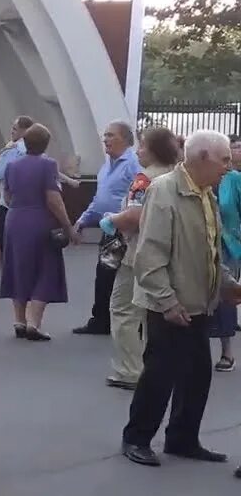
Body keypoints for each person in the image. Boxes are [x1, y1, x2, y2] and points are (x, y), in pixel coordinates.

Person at [121, 130, 241, 468]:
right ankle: (136, 438)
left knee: (197, 374)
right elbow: (150, 255)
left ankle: (182, 438)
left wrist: (227, 285)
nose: (228, 167)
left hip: (199, 303)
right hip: (170, 305)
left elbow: (210, 252)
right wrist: (167, 302)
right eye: (224, 160)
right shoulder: (164, 191)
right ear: (202, 157)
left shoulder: (206, 193)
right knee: (160, 374)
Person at [100, 126, 179, 389]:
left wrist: (111, 219)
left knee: (124, 310)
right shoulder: (178, 177)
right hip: (171, 254)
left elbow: (134, 217)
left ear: (154, 150)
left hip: (138, 255)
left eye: (142, 146)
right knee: (154, 313)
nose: (138, 151)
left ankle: (129, 370)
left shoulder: (143, 180)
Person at [0, 124, 78, 340]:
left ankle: (19, 320)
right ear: (46, 144)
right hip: (40, 220)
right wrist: (68, 226)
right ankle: (34, 322)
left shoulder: (12, 165)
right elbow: (54, 199)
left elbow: (7, 196)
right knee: (46, 268)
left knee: (18, 266)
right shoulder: (48, 165)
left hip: (15, 219)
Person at [72, 122, 140, 336]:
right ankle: (101, 319)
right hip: (110, 229)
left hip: (126, 230)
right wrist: (82, 220)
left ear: (125, 139)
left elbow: (141, 194)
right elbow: (100, 199)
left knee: (125, 275)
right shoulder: (107, 166)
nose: (105, 140)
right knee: (105, 273)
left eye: (110, 136)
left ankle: (129, 321)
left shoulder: (132, 164)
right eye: (105, 136)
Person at [0, 116, 36, 289]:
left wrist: (4, 153)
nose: (12, 132)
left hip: (9, 204)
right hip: (30, 205)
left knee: (6, 243)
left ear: (25, 131)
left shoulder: (13, 150)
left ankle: (9, 280)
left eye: (15, 129)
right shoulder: (37, 151)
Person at [208, 136, 241, 372]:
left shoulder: (234, 180)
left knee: (224, 294)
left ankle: (227, 351)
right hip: (201, 243)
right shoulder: (200, 179)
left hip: (228, 246)